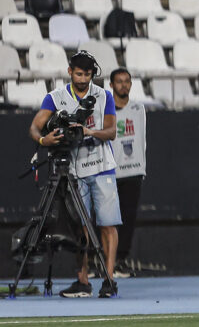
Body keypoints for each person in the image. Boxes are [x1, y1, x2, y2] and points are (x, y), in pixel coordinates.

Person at [29, 49, 120, 298]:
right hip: (74, 169)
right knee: (80, 227)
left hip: (103, 166)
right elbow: (35, 128)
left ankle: (109, 279)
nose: (83, 79)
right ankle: (82, 280)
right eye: (79, 74)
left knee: (107, 225)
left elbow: (111, 131)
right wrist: (44, 140)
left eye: (87, 75)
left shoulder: (104, 96)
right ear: (70, 72)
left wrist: (89, 132)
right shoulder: (55, 97)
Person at [105, 68, 146, 278]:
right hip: (110, 172)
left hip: (133, 172)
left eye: (127, 81)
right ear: (111, 85)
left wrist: (141, 167)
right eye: (119, 82)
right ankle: (103, 261)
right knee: (106, 220)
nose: (124, 85)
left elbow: (142, 140)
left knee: (128, 218)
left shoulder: (139, 109)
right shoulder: (104, 110)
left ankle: (121, 261)